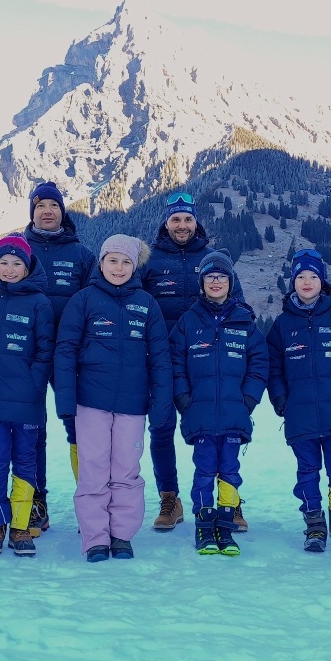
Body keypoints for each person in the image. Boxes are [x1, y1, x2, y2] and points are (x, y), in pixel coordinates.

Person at [54, 234, 172, 562]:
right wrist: (66, 399)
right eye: (112, 260)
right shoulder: (84, 300)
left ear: (134, 267)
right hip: (90, 401)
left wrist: (161, 401)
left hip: (133, 406)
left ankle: (121, 535)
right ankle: (94, 538)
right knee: (93, 470)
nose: (118, 267)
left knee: (126, 471)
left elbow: (160, 357)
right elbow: (65, 350)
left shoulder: (147, 304)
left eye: (126, 262)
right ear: (101, 262)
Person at [266, 249, 331, 553]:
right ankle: (314, 526)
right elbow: (273, 367)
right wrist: (281, 399)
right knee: (307, 473)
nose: (307, 281)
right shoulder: (283, 325)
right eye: (300, 276)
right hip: (300, 417)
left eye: (313, 276)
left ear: (322, 282)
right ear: (293, 283)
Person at [139, 191, 227, 532]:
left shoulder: (213, 258)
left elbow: (238, 307)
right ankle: (169, 499)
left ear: (196, 221)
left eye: (188, 219)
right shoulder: (150, 260)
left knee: (217, 430)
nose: (182, 225)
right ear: (166, 222)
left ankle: (228, 501)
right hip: (160, 359)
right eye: (176, 219)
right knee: (161, 428)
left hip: (205, 361)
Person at [169, 250, 267, 556]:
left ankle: (225, 526)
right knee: (204, 469)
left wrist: (248, 399)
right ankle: (204, 523)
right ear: (202, 283)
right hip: (200, 414)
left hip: (234, 414)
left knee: (230, 470)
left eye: (221, 277)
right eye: (210, 277)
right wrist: (186, 400)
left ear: (230, 282)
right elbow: (175, 363)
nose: (215, 282)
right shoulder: (188, 321)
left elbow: (259, 363)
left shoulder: (245, 321)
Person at [22, 181, 97, 536]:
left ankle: (90, 500)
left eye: (54, 205)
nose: (47, 211)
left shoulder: (81, 255)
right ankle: (35, 501)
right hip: (27, 354)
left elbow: (97, 302)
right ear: (32, 212)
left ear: (63, 212)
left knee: (79, 427)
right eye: (40, 206)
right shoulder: (18, 250)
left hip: (72, 354)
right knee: (30, 428)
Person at [0, 235, 54, 557]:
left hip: (27, 401)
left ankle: (20, 524)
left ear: (27, 266)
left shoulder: (40, 302)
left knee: (25, 463)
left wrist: (33, 384)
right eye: (4, 263)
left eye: (17, 263)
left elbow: (45, 350)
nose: (9, 269)